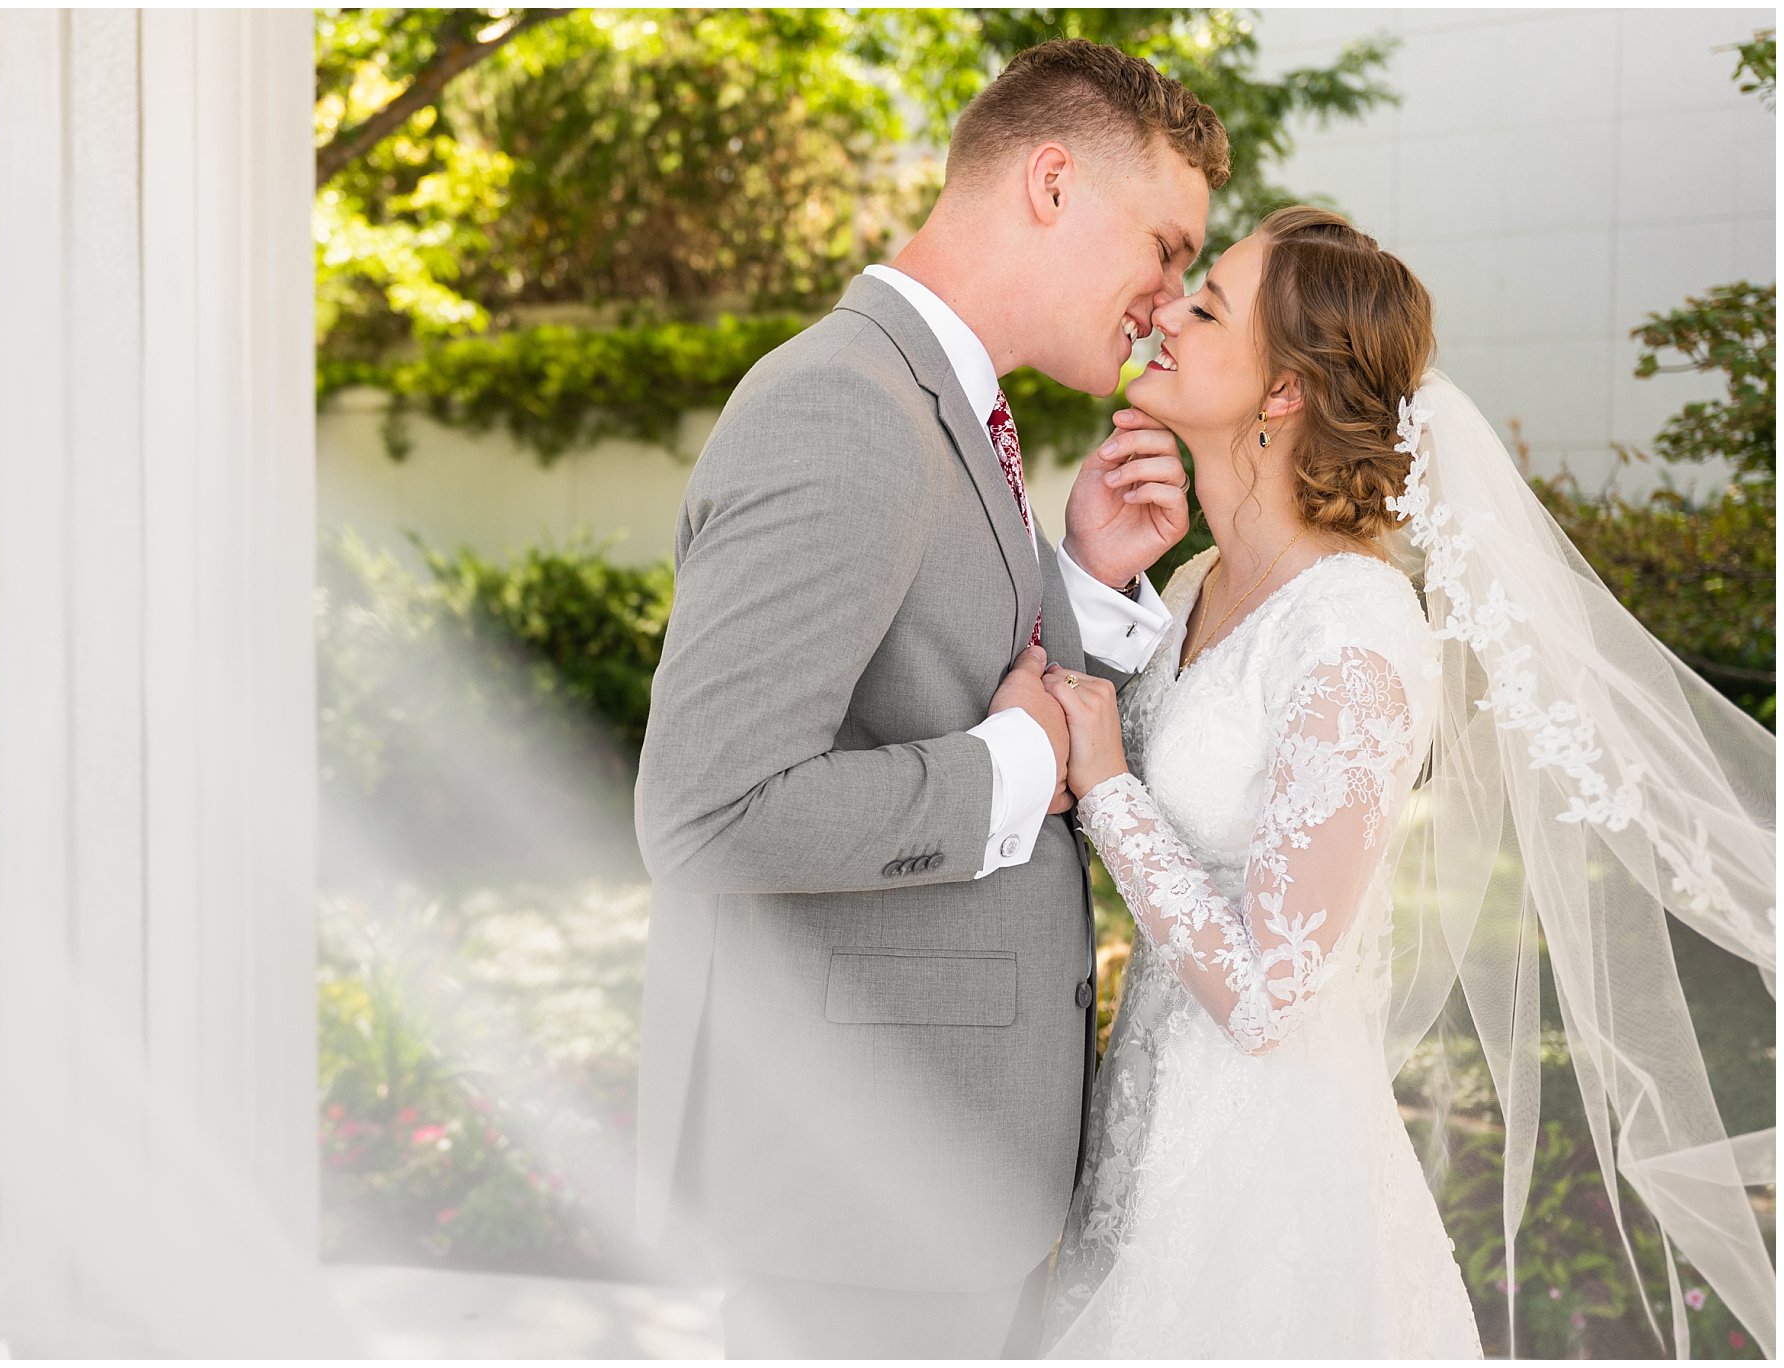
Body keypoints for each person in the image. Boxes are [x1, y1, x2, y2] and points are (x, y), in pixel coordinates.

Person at [1036, 206, 1776, 1358]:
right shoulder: (1186, 585)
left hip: (1258, 1169)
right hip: (1146, 1110)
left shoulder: (1357, 636)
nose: (1166, 311)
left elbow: (1270, 993)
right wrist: (1095, 582)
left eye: (1207, 303)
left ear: (1280, 393)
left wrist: (1110, 784)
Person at [631, 40, 1225, 1358]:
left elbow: (920, 675)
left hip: (946, 1175)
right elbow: (707, 810)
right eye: (1169, 248)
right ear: (1055, 183)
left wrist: (1074, 578)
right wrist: (1021, 762)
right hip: (865, 1197)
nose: (1167, 300)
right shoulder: (844, 404)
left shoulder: (941, 399)